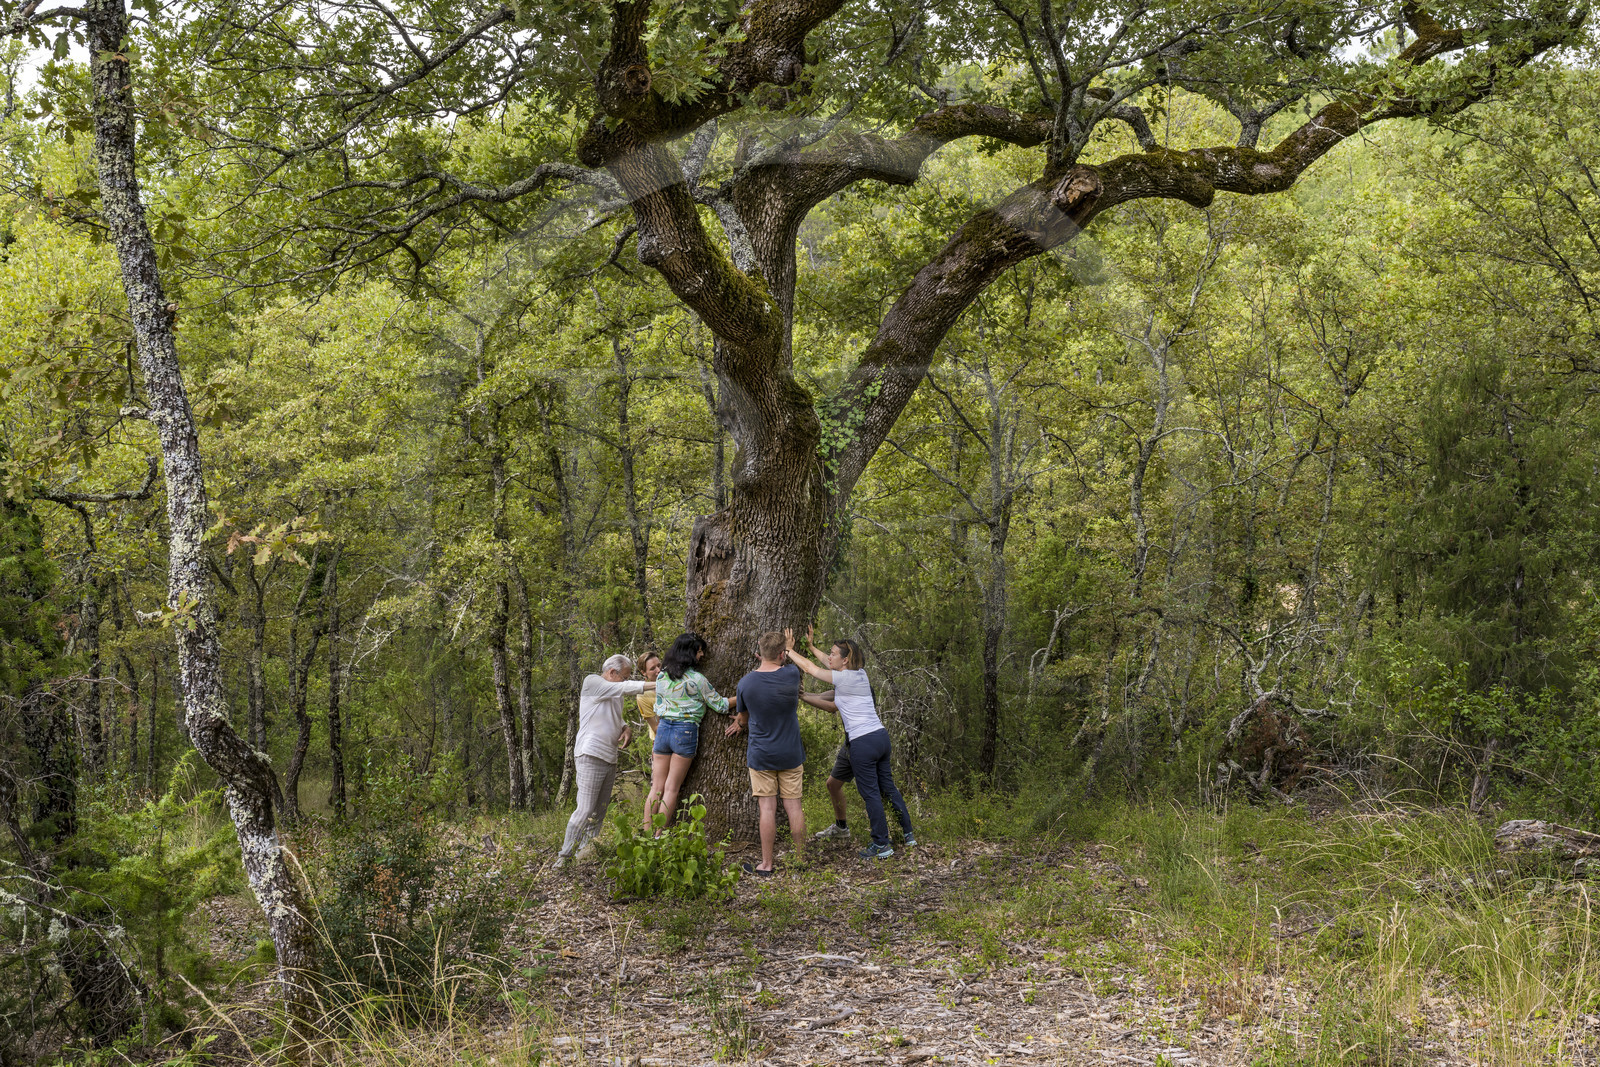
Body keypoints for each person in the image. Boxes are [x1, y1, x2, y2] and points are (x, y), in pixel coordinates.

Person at [788, 627, 915, 859]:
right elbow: (825, 663)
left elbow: (810, 668)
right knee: (887, 787)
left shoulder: (844, 677)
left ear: (845, 660)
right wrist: (811, 646)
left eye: (834, 653)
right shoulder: (860, 674)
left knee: (871, 794)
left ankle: (881, 845)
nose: (830, 656)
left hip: (862, 742)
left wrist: (788, 650)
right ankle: (908, 835)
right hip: (880, 737)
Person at [557, 653, 654, 867]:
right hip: (591, 753)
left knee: (598, 812)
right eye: (625, 676)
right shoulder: (592, 682)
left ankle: (585, 854)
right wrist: (654, 685)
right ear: (611, 672)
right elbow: (621, 689)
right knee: (585, 808)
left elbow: (612, 713)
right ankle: (564, 858)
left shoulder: (611, 691)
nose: (626, 681)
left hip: (609, 756)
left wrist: (625, 727)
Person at [727, 629, 807, 877]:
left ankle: (767, 864)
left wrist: (739, 724)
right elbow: (791, 665)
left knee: (767, 809)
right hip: (791, 751)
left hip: (761, 754)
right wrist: (791, 651)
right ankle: (801, 861)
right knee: (794, 807)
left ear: (758, 654)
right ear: (782, 654)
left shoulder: (746, 683)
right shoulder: (792, 674)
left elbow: (743, 716)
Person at [643, 632, 737, 831]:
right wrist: (746, 694)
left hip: (663, 730)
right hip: (684, 731)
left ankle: (646, 834)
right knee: (671, 788)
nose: (701, 655)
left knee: (656, 788)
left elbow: (658, 706)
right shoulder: (696, 679)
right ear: (690, 653)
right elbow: (720, 705)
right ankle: (659, 836)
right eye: (700, 651)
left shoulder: (662, 675)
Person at [635, 652, 663, 742]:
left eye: (659, 665)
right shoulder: (643, 695)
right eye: (652, 669)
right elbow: (656, 728)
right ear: (644, 672)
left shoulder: (673, 683)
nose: (658, 670)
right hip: (661, 741)